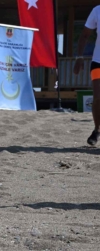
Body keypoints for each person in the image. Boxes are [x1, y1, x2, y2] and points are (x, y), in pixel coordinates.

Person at [74, 5, 100, 146]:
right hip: (98, 61)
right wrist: (79, 57)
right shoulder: (97, 10)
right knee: (97, 98)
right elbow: (85, 34)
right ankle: (97, 130)